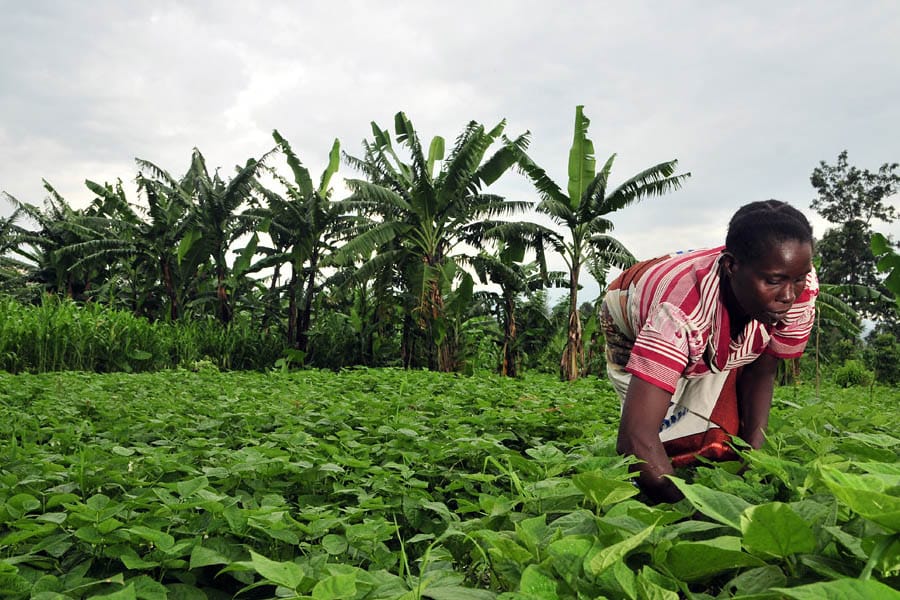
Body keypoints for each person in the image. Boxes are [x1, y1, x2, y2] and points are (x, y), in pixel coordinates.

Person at [600, 200, 818, 503]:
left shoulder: (796, 283)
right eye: (773, 281)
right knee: (664, 439)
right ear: (730, 265)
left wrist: (752, 459)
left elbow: (762, 368)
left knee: (722, 439)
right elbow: (635, 436)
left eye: (798, 279)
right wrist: (695, 510)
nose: (789, 295)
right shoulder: (678, 314)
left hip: (702, 314)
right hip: (627, 308)